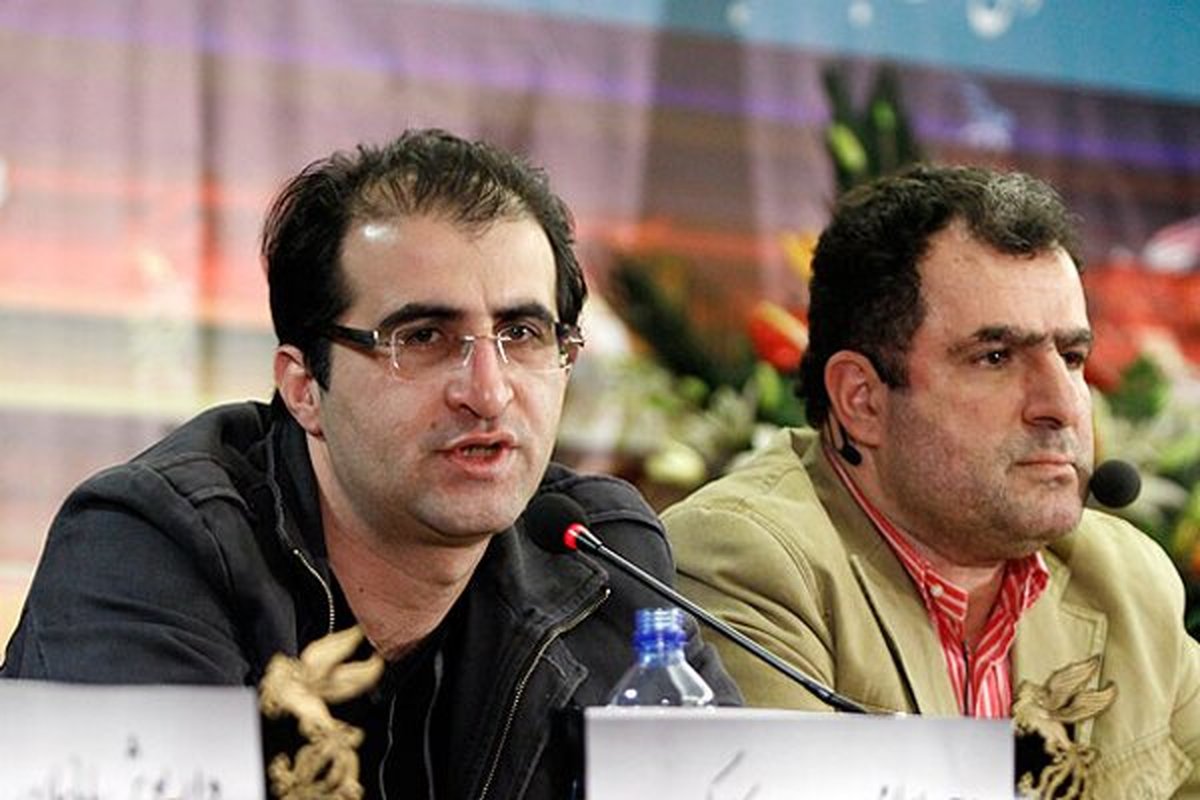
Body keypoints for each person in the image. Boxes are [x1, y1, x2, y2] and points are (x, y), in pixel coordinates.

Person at [2, 129, 740, 798]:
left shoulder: (598, 560)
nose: (488, 392)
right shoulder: (154, 544)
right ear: (304, 388)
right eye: (422, 338)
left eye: (521, 334)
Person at [664, 164, 1200, 797]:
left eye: (1072, 356)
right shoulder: (746, 562)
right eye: (995, 358)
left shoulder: (1126, 580)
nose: (1062, 404)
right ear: (862, 399)